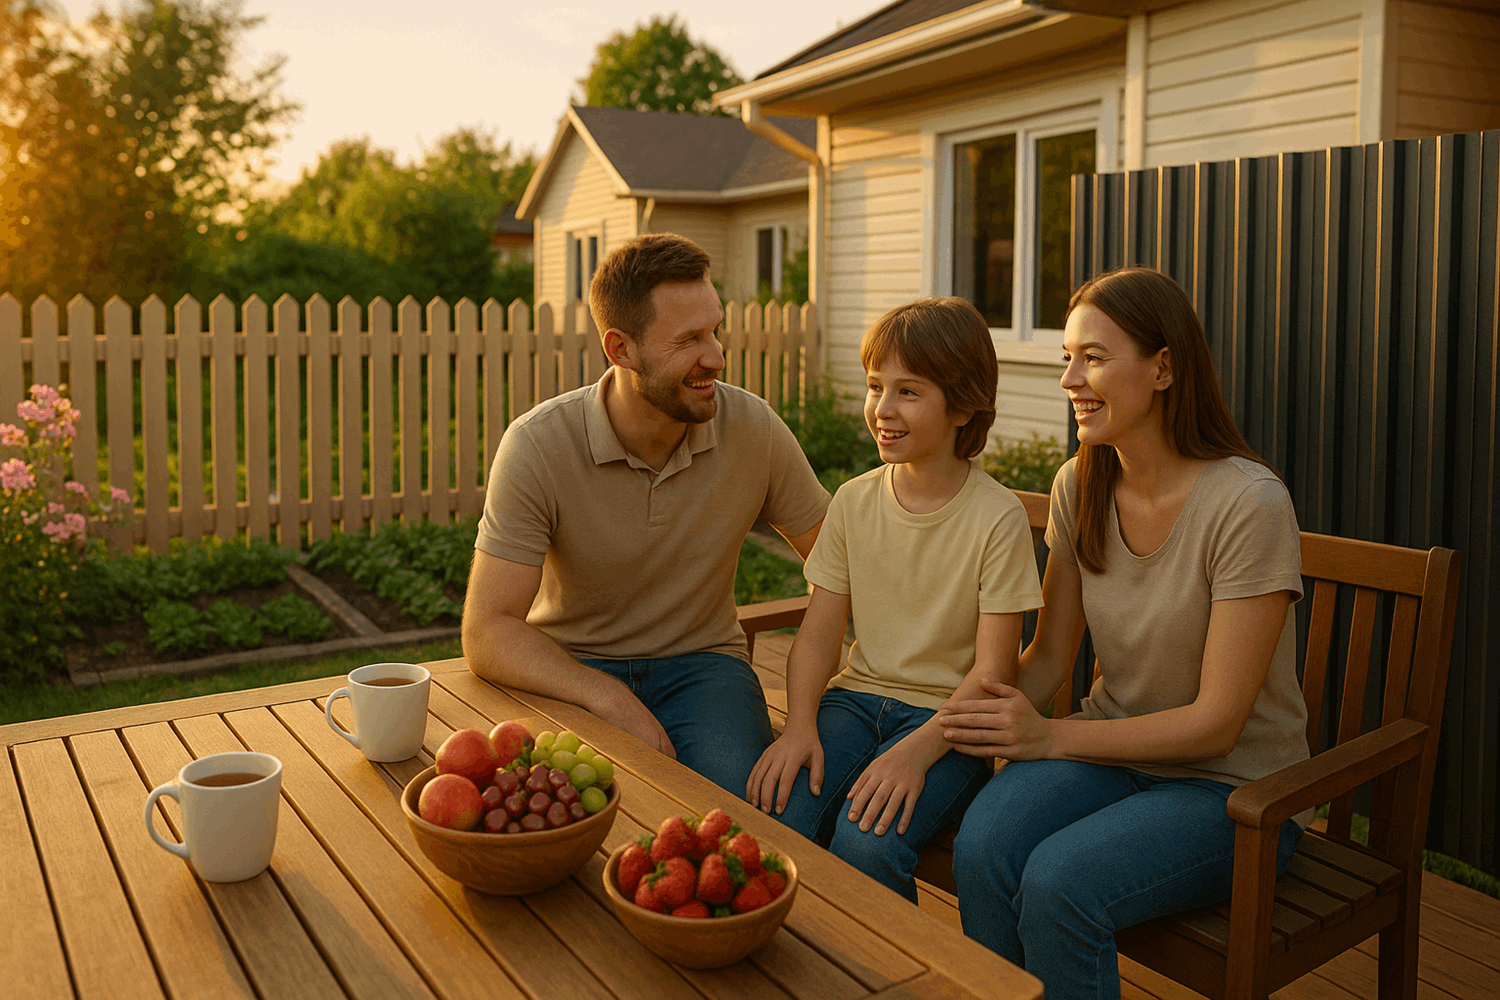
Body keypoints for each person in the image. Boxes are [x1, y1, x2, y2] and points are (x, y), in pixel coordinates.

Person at [936, 266, 1309, 1000]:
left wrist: (1049, 738)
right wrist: (937, 727)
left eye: (1094, 357)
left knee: (1059, 882)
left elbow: (1217, 724)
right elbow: (1047, 660)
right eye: (1066, 358)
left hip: (1231, 794)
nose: (1071, 377)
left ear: (1164, 367)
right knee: (981, 846)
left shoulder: (1248, 503)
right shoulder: (1083, 482)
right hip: (1113, 756)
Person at [462, 233, 829, 795]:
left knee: (745, 810)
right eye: (688, 340)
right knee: (571, 811)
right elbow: (488, 629)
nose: (717, 356)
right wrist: (605, 695)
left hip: (704, 666)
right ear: (620, 349)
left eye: (715, 330)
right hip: (574, 666)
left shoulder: (752, 428)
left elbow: (838, 563)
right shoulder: (538, 445)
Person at [746, 297, 1043, 901]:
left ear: (962, 406)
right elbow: (819, 635)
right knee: (780, 818)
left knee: (868, 846)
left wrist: (916, 752)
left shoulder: (997, 518)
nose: (882, 409)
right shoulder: (854, 501)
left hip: (949, 726)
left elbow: (993, 671)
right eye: (875, 386)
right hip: (853, 704)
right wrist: (800, 724)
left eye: (908, 392)